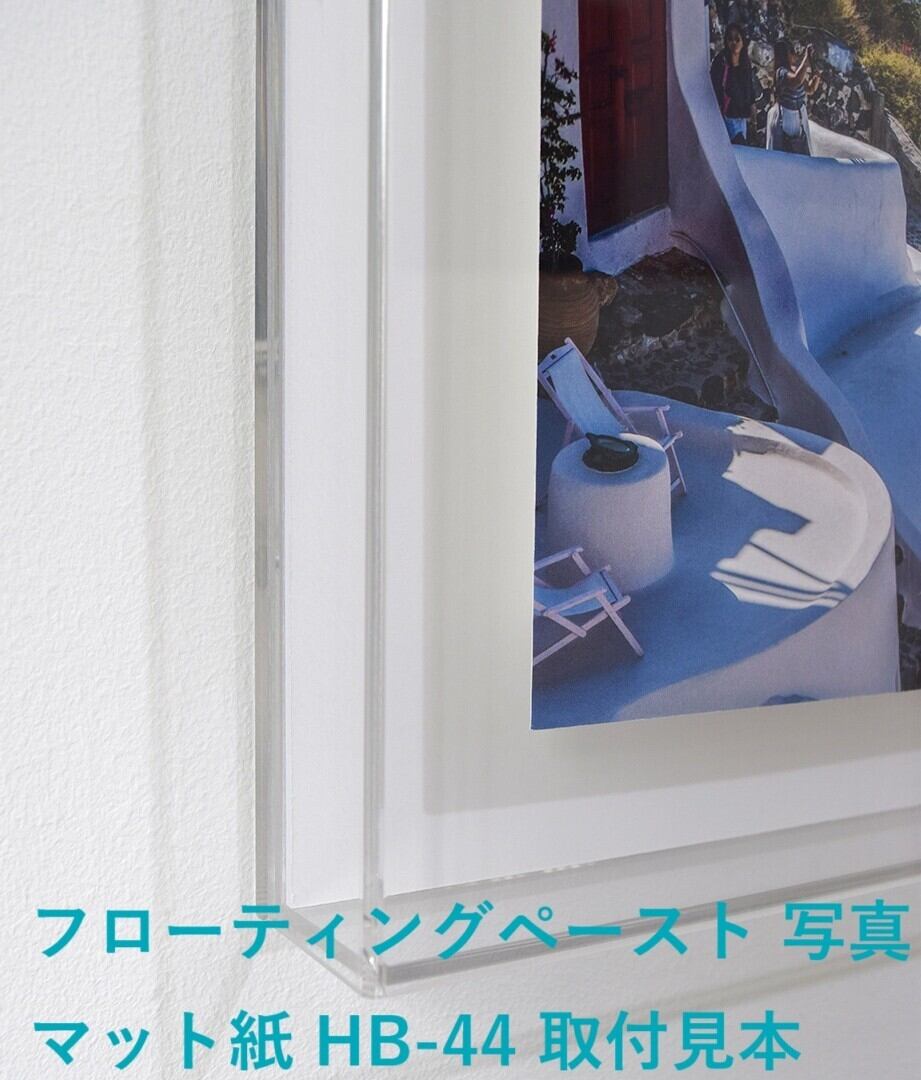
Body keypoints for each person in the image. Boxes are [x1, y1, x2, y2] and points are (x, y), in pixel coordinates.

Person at [767, 38, 821, 154]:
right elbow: (796, 80)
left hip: (799, 116)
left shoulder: (794, 71)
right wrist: (806, 58)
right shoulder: (781, 72)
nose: (794, 55)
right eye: (791, 51)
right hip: (785, 117)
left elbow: (810, 89)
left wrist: (816, 78)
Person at [710, 23, 762, 144]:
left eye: (737, 39)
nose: (734, 42)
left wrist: (753, 116)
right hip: (728, 117)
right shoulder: (721, 61)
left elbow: (749, 88)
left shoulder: (745, 61)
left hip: (742, 117)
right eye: (730, 39)